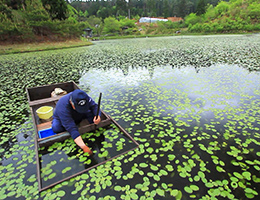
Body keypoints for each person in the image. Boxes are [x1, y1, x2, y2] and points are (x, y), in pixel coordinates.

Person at [52, 89, 101, 155]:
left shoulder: (84, 97)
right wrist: (84, 147)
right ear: (72, 103)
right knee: (56, 128)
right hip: (63, 117)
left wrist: (98, 116)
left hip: (79, 114)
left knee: (91, 115)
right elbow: (71, 128)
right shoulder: (62, 105)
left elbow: (94, 106)